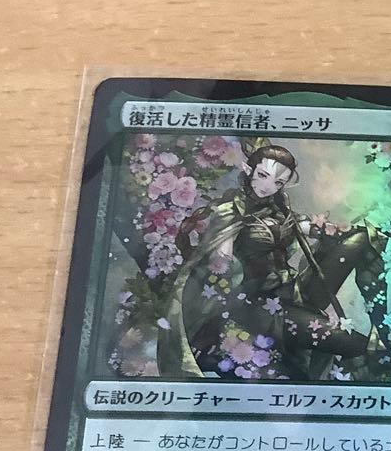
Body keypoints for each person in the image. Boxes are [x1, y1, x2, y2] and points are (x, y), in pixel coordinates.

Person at [158, 144, 369, 380]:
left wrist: (322, 229)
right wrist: (223, 256)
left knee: (360, 239)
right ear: (248, 169)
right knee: (349, 342)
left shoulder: (277, 208)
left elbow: (294, 227)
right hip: (255, 305)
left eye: (278, 182)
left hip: (288, 292)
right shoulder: (229, 211)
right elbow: (219, 258)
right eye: (263, 175)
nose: (268, 186)